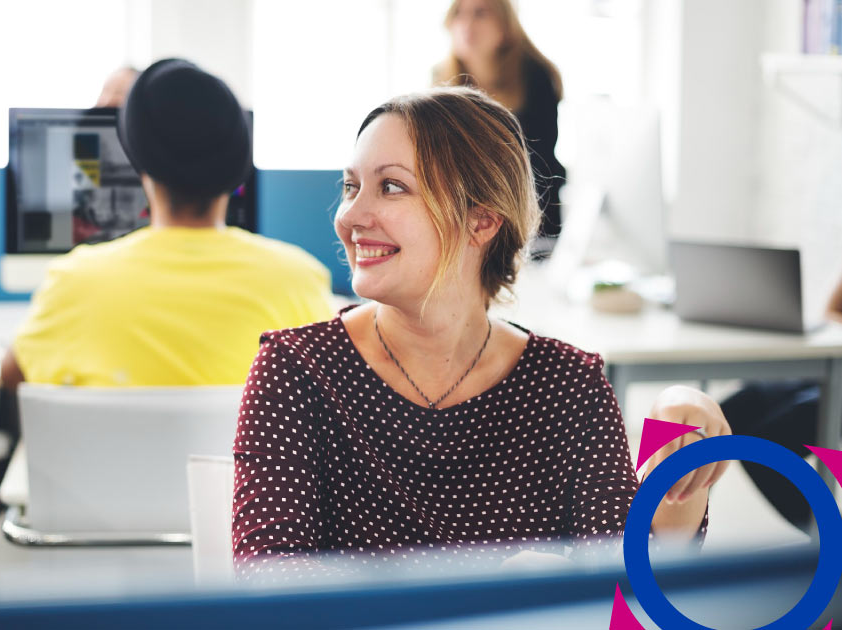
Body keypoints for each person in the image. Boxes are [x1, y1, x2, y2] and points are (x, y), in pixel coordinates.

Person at [231, 87, 730, 578]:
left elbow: (626, 575)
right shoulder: (297, 369)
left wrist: (682, 449)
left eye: (391, 186)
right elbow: (270, 577)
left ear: (482, 219)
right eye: (350, 186)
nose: (351, 217)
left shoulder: (568, 385)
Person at [0, 59, 333, 516]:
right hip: (248, 529)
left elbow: (14, 376)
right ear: (238, 167)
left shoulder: (76, 280)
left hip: (100, 527)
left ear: (137, 160)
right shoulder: (298, 279)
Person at [433, 0, 566, 239]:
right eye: (459, 14)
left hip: (531, 216)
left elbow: (537, 164)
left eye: (480, 14)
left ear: (505, 27)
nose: (467, 24)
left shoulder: (536, 78)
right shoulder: (441, 81)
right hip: (466, 220)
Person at [720, 274, 842, 530]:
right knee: (723, 419)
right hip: (831, 364)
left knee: (763, 448)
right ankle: (682, 541)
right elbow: (831, 311)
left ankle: (831, 542)